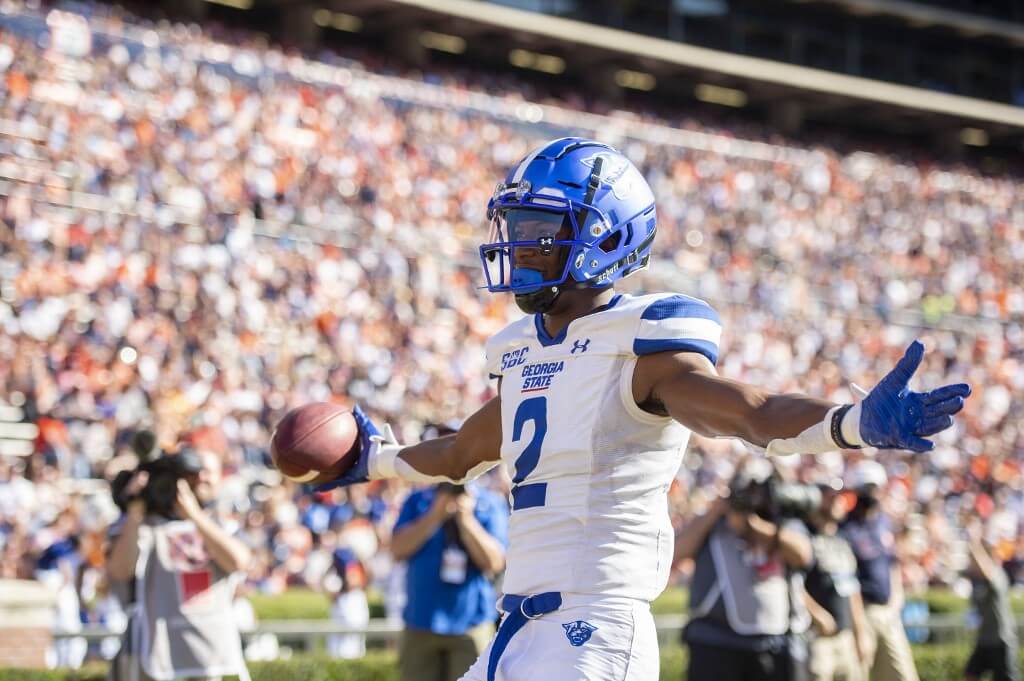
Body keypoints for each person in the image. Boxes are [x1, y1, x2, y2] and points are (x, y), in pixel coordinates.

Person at [319, 137, 971, 681]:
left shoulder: (640, 346)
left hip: (592, 630)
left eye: (539, 230)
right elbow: (462, 451)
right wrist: (372, 458)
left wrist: (851, 424)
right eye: (515, 228)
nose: (518, 246)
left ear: (602, 238)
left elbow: (752, 411)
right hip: (516, 629)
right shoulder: (523, 350)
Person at [105, 443, 252, 681]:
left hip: (210, 657)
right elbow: (120, 571)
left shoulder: (223, 525)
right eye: (193, 473)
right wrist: (134, 512)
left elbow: (239, 561)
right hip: (147, 652)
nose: (201, 479)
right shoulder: (138, 525)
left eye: (207, 472)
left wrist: (193, 515)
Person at [674, 461, 814, 681]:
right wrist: (716, 512)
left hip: (775, 643)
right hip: (716, 641)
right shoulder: (714, 522)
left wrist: (755, 526)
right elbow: (676, 554)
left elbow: (803, 554)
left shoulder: (783, 520)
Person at [391, 476, 508, 681]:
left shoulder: (488, 502)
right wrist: (435, 515)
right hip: (421, 621)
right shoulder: (417, 500)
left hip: (471, 624)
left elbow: (495, 563)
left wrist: (467, 521)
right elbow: (397, 549)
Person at [840, 461, 919, 681]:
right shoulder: (847, 528)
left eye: (875, 487)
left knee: (904, 675)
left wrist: (896, 599)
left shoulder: (883, 522)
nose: (872, 493)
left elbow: (892, 562)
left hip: (888, 610)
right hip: (862, 611)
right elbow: (847, 579)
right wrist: (859, 625)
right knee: (859, 673)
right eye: (867, 488)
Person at [803, 477, 871, 681]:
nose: (837, 501)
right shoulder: (804, 537)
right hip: (816, 638)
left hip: (845, 637)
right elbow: (792, 583)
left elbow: (852, 589)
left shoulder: (843, 540)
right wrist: (816, 614)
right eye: (830, 496)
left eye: (839, 497)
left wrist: (861, 632)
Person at [964, 522, 1020, 681]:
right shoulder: (975, 581)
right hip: (984, 639)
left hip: (1001, 640)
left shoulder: (998, 575)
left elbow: (987, 571)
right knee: (971, 674)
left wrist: (974, 543)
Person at [325, 547, 370, 660]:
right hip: (340, 628)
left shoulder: (358, 592)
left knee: (355, 649)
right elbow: (330, 591)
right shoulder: (334, 579)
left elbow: (358, 581)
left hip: (354, 614)